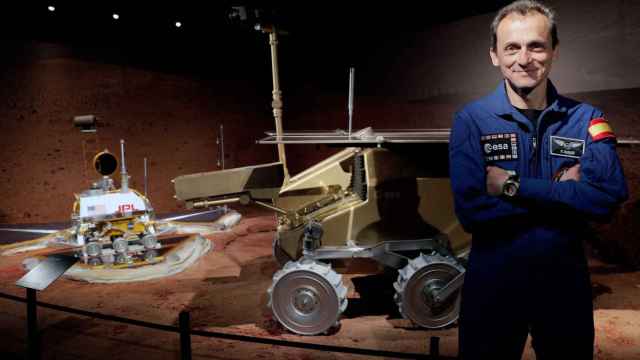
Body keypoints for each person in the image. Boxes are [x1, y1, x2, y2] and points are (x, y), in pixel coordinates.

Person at [448, 1, 628, 359]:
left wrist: (514, 186)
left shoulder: (586, 119)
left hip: (565, 286)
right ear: (494, 56)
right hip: (493, 287)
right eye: (511, 47)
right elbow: (471, 211)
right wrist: (566, 193)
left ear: (554, 51)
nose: (524, 58)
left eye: (536, 45)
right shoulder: (471, 120)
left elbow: (608, 198)